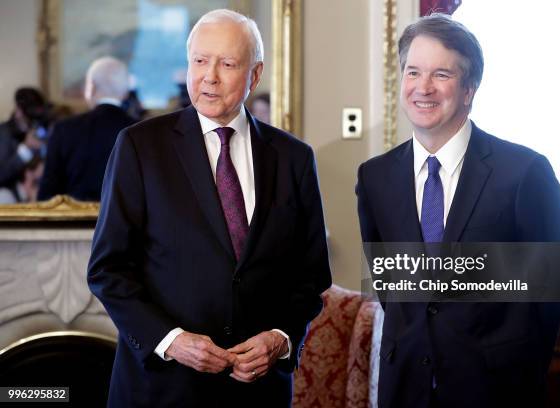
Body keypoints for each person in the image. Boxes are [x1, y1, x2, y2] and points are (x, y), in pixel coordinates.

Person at [87, 9, 331, 407]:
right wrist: (172, 341)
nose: (209, 76)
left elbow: (310, 275)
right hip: (161, 389)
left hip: (257, 392)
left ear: (254, 75)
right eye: (200, 61)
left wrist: (280, 338)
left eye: (227, 63)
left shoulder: (293, 158)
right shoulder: (139, 147)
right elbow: (107, 269)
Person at [355, 14, 560, 408]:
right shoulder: (375, 178)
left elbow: (549, 289)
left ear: (469, 88)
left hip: (497, 390)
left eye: (441, 74)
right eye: (413, 71)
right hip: (405, 389)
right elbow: (390, 286)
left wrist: (518, 370)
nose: (423, 87)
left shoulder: (524, 173)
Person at [37, 56, 136, 202]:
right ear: (125, 92)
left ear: (92, 87)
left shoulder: (64, 130)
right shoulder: (141, 131)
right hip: (126, 224)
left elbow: (47, 197)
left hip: (72, 222)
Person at [0, 87, 47, 201]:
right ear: (19, 111)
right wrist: (25, 149)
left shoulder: (40, 127)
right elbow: (2, 175)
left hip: (38, 189)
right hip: (10, 194)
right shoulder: (4, 133)